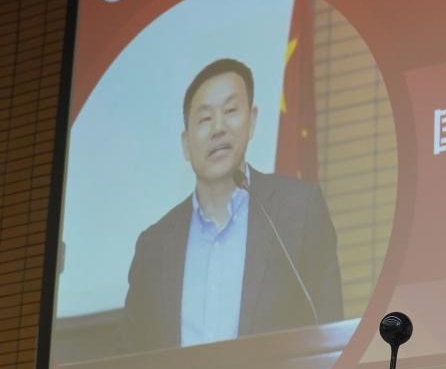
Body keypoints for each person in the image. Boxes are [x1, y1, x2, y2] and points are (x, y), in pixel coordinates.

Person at [122, 58, 343, 353]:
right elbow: (133, 360)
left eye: (230, 111)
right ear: (186, 144)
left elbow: (328, 330)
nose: (218, 128)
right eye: (204, 119)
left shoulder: (298, 211)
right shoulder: (153, 247)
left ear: (252, 121)